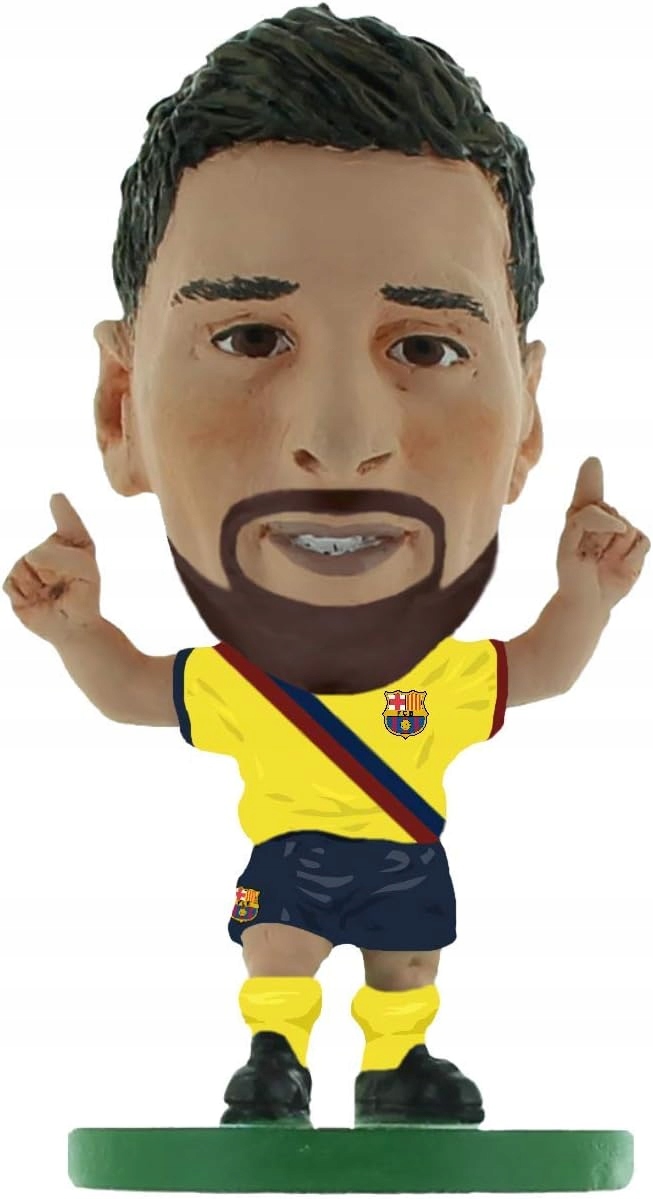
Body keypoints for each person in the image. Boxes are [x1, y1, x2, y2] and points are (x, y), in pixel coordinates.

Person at [3, 3, 648, 1126]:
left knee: (407, 964)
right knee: (281, 952)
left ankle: (398, 1064)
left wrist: (584, 594)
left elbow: (543, 666)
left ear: (526, 427)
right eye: (249, 338)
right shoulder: (238, 689)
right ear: (121, 409)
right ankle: (275, 1056)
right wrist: (75, 628)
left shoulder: (444, 684)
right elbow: (128, 690)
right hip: (296, 855)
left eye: (427, 346)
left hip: (401, 853)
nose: (342, 442)